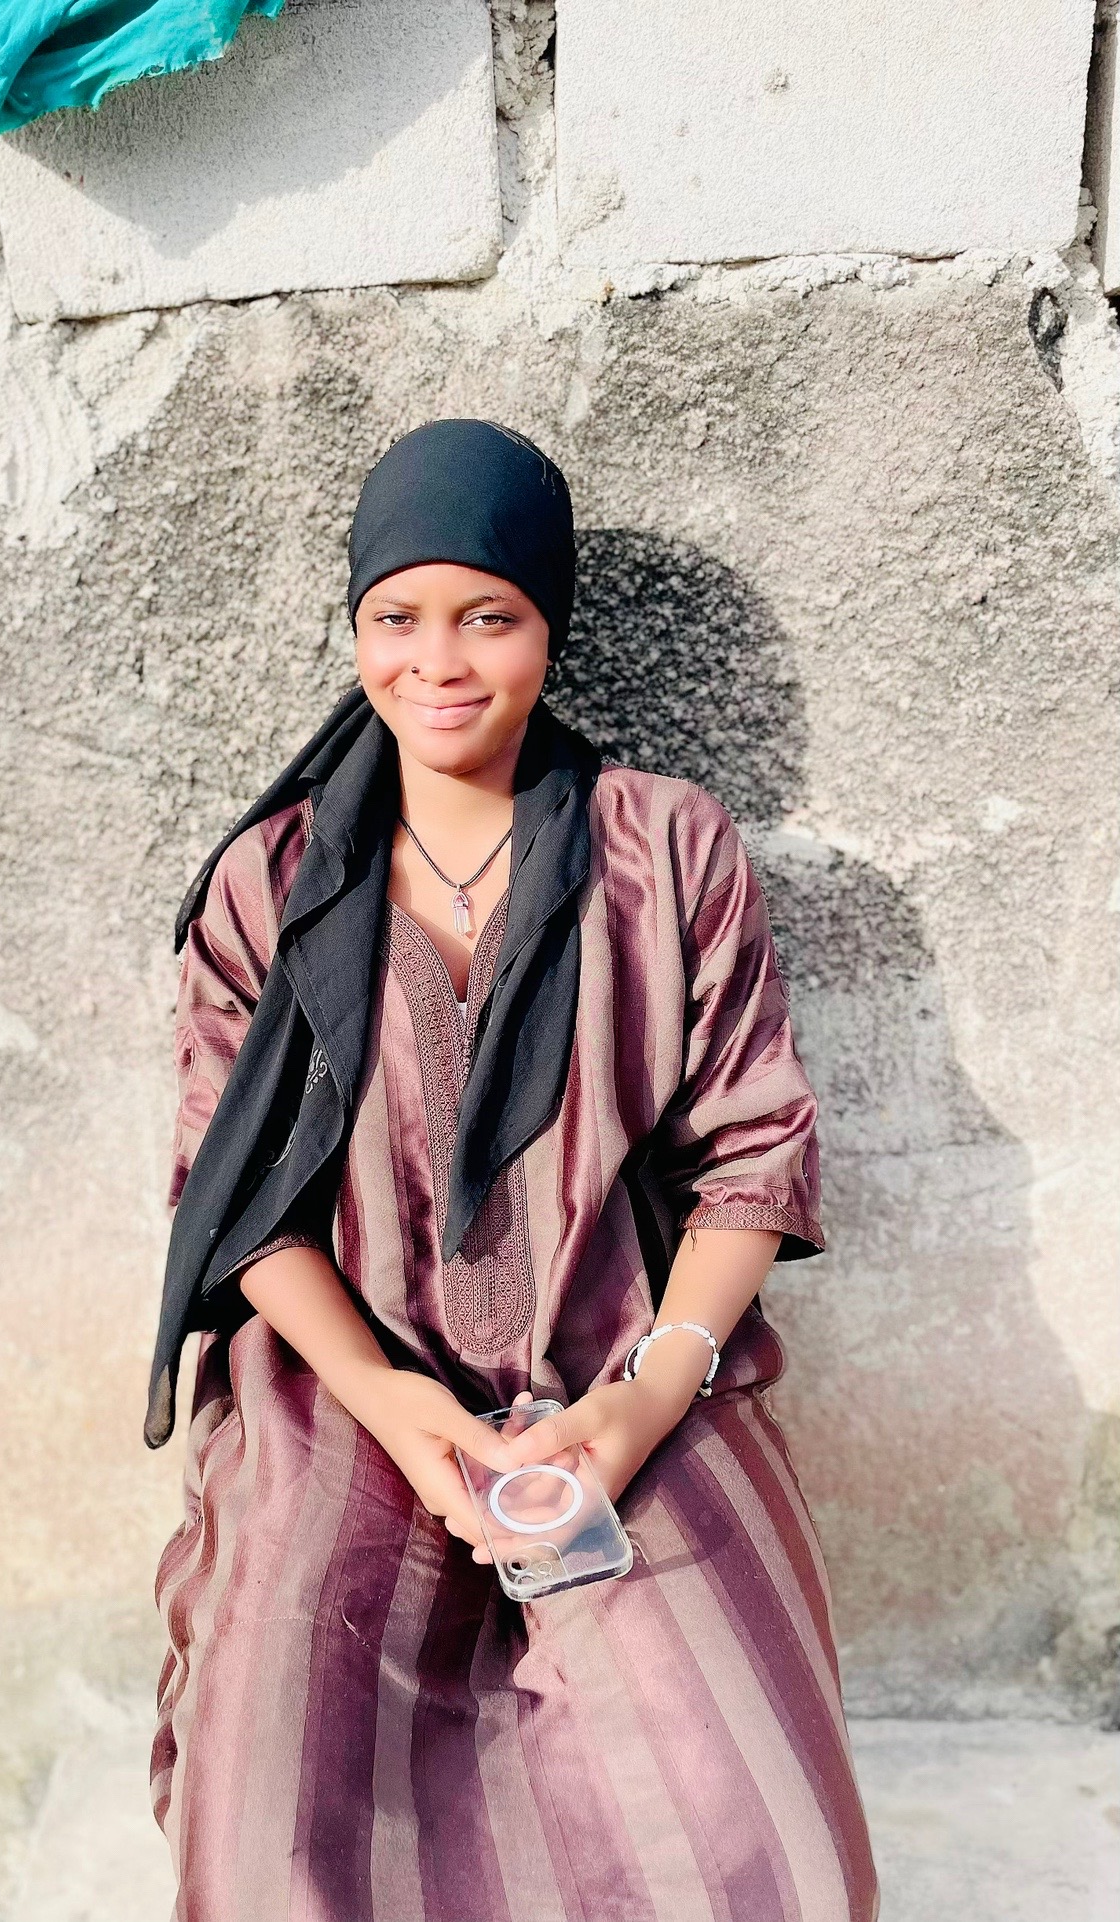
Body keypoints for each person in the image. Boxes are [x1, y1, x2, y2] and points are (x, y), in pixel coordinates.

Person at [145, 420, 879, 1922]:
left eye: (488, 615)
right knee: (281, 1794)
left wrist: (641, 1403)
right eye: (396, 617)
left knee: (745, 1821)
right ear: (357, 629)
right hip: (345, 1392)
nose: (439, 662)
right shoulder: (270, 885)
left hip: (629, 1370)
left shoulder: (665, 850)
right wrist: (397, 1406)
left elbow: (753, 1153)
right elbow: (238, 1204)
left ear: (549, 626)